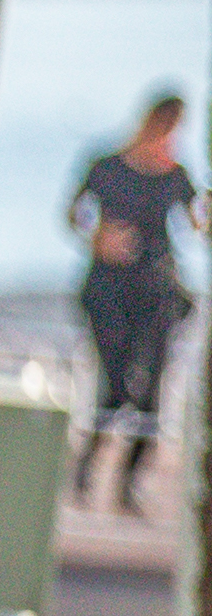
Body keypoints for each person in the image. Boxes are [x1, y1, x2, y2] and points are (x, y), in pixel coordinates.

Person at [68, 94, 195, 515]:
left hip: (157, 294)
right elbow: (73, 212)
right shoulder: (107, 167)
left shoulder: (176, 176)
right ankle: (86, 469)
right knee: (117, 385)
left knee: (152, 395)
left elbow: (197, 221)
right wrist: (97, 238)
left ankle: (128, 483)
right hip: (110, 291)